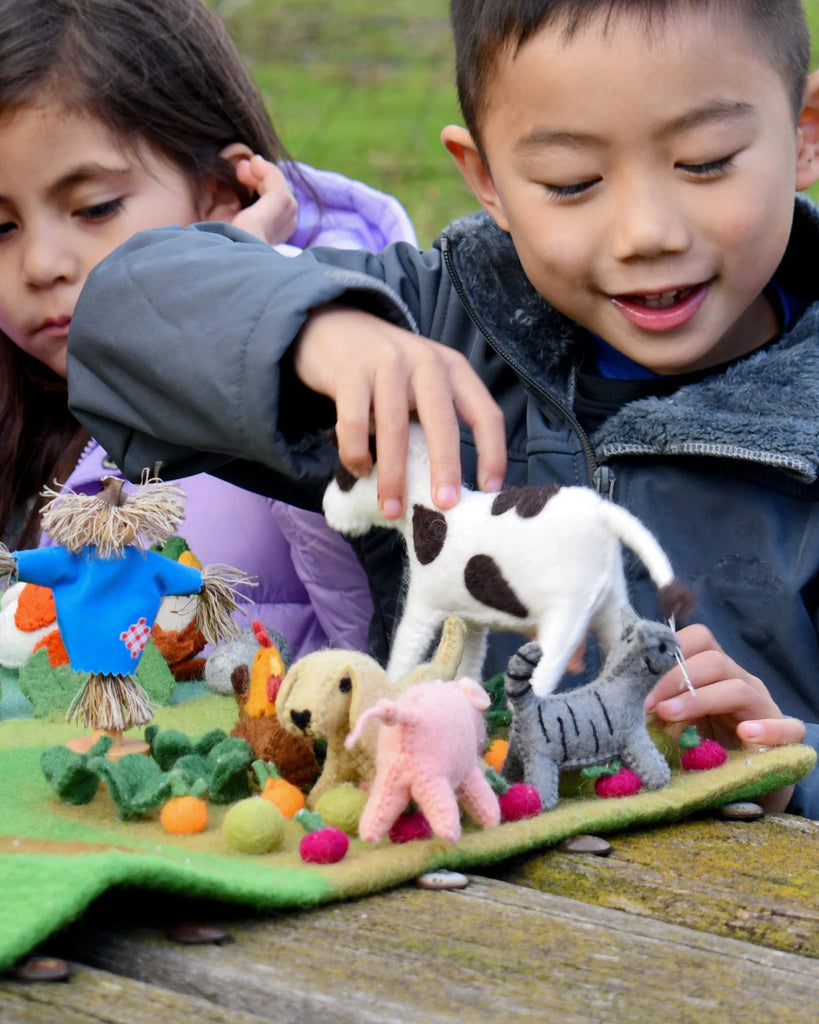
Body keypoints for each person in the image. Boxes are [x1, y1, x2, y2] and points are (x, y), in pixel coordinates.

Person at [67, 0, 819, 815]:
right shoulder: (435, 324)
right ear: (487, 178)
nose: (645, 232)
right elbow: (122, 318)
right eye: (571, 183)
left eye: (706, 162)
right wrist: (318, 330)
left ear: (805, 131)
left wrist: (788, 774)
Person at [0, 0, 419, 664]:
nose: (41, 266)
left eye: (95, 209)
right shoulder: (22, 403)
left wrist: (238, 313)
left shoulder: (342, 364)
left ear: (224, 192)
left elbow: (380, 657)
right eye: (2, 228)